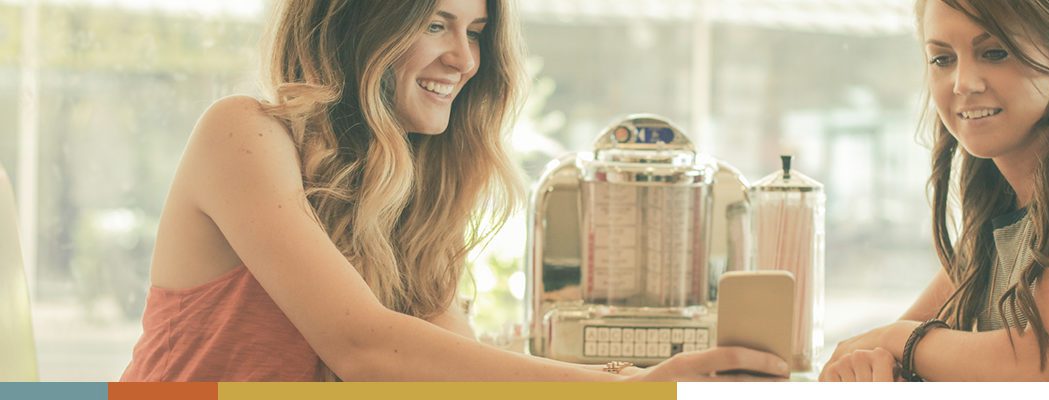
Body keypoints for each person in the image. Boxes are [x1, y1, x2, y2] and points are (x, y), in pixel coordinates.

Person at [119, 0, 790, 382]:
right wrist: (627, 394)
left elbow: (446, 372)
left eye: (474, 33)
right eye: (437, 23)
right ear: (360, 24)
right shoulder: (243, 133)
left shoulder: (419, 189)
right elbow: (367, 348)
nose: (464, 60)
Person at [820, 0, 1049, 382]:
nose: (963, 83)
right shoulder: (1000, 203)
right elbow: (889, 348)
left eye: (994, 53)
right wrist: (869, 362)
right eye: (942, 59)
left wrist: (895, 339)